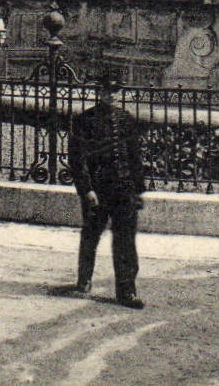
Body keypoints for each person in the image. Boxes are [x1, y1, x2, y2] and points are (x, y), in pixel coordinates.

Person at [54, 71, 145, 309]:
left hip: (123, 189)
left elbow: (135, 157)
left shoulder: (127, 119)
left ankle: (127, 291)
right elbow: (78, 159)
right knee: (91, 235)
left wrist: (138, 190)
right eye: (107, 91)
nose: (112, 95)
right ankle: (84, 281)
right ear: (99, 93)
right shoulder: (86, 120)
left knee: (125, 240)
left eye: (116, 91)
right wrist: (87, 190)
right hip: (99, 189)